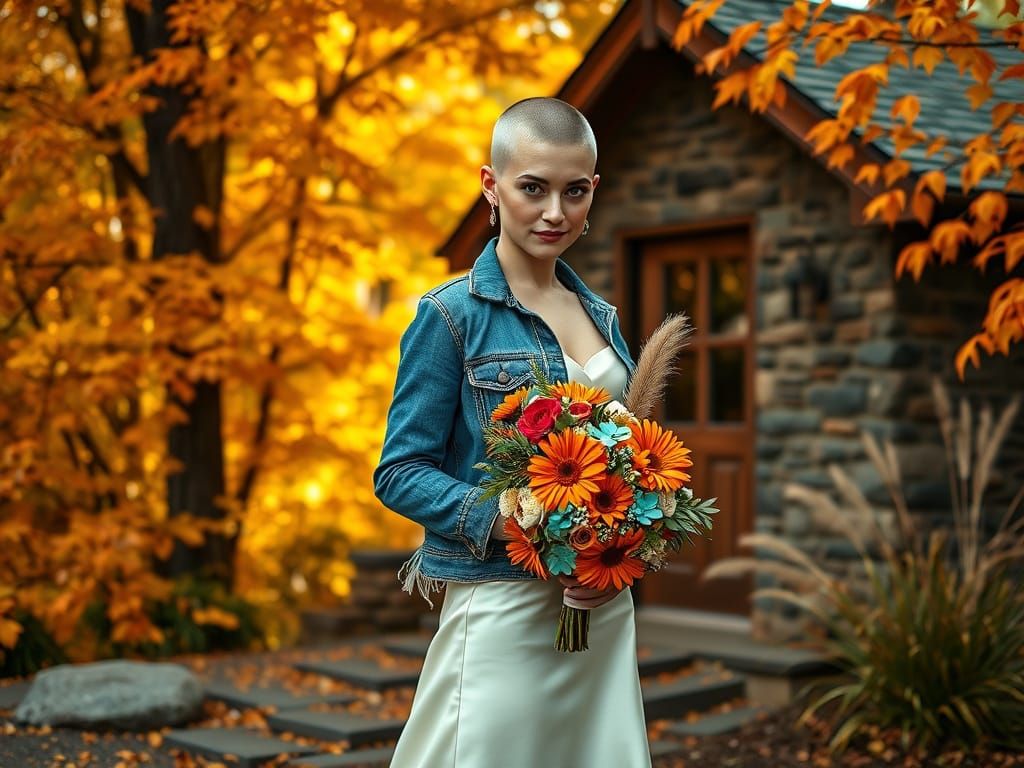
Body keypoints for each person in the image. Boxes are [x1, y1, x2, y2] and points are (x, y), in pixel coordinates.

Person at [372, 97, 652, 767]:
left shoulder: (603, 317)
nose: (555, 211)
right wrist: (512, 520)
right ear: (491, 186)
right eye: (533, 188)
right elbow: (399, 472)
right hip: (504, 601)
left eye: (574, 191)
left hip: (599, 606)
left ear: (594, 190)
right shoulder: (450, 316)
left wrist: (615, 552)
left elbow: (633, 465)